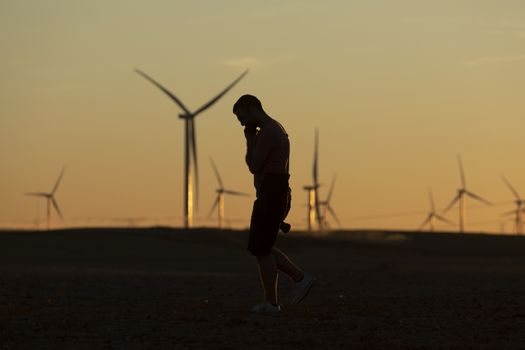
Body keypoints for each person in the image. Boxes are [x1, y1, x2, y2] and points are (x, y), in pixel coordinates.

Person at [233, 94, 315, 313]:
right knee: (261, 247)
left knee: (261, 248)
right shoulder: (275, 129)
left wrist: (249, 140)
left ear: (251, 109)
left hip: (272, 191)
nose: (242, 123)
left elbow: (254, 165)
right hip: (273, 191)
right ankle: (289, 287)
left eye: (242, 117)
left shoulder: (269, 132)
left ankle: (282, 294)